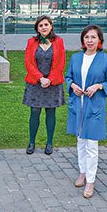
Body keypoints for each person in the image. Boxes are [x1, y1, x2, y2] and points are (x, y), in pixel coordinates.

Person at [65, 25, 107, 199]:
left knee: (92, 145)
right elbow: (68, 77)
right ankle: (82, 172)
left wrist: (99, 85)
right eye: (87, 37)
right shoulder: (76, 58)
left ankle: (90, 181)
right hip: (78, 104)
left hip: (94, 106)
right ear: (82, 40)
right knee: (80, 140)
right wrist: (72, 86)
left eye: (93, 37)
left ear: (99, 40)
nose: (90, 40)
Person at [23, 15, 66, 155]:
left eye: (46, 24)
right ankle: (31, 142)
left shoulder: (58, 42)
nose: (44, 27)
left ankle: (49, 142)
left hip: (52, 84)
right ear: (37, 28)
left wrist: (50, 79)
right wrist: (40, 78)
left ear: (51, 26)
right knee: (34, 111)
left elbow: (60, 64)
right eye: (41, 25)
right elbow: (28, 63)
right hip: (36, 83)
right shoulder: (31, 42)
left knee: (50, 112)